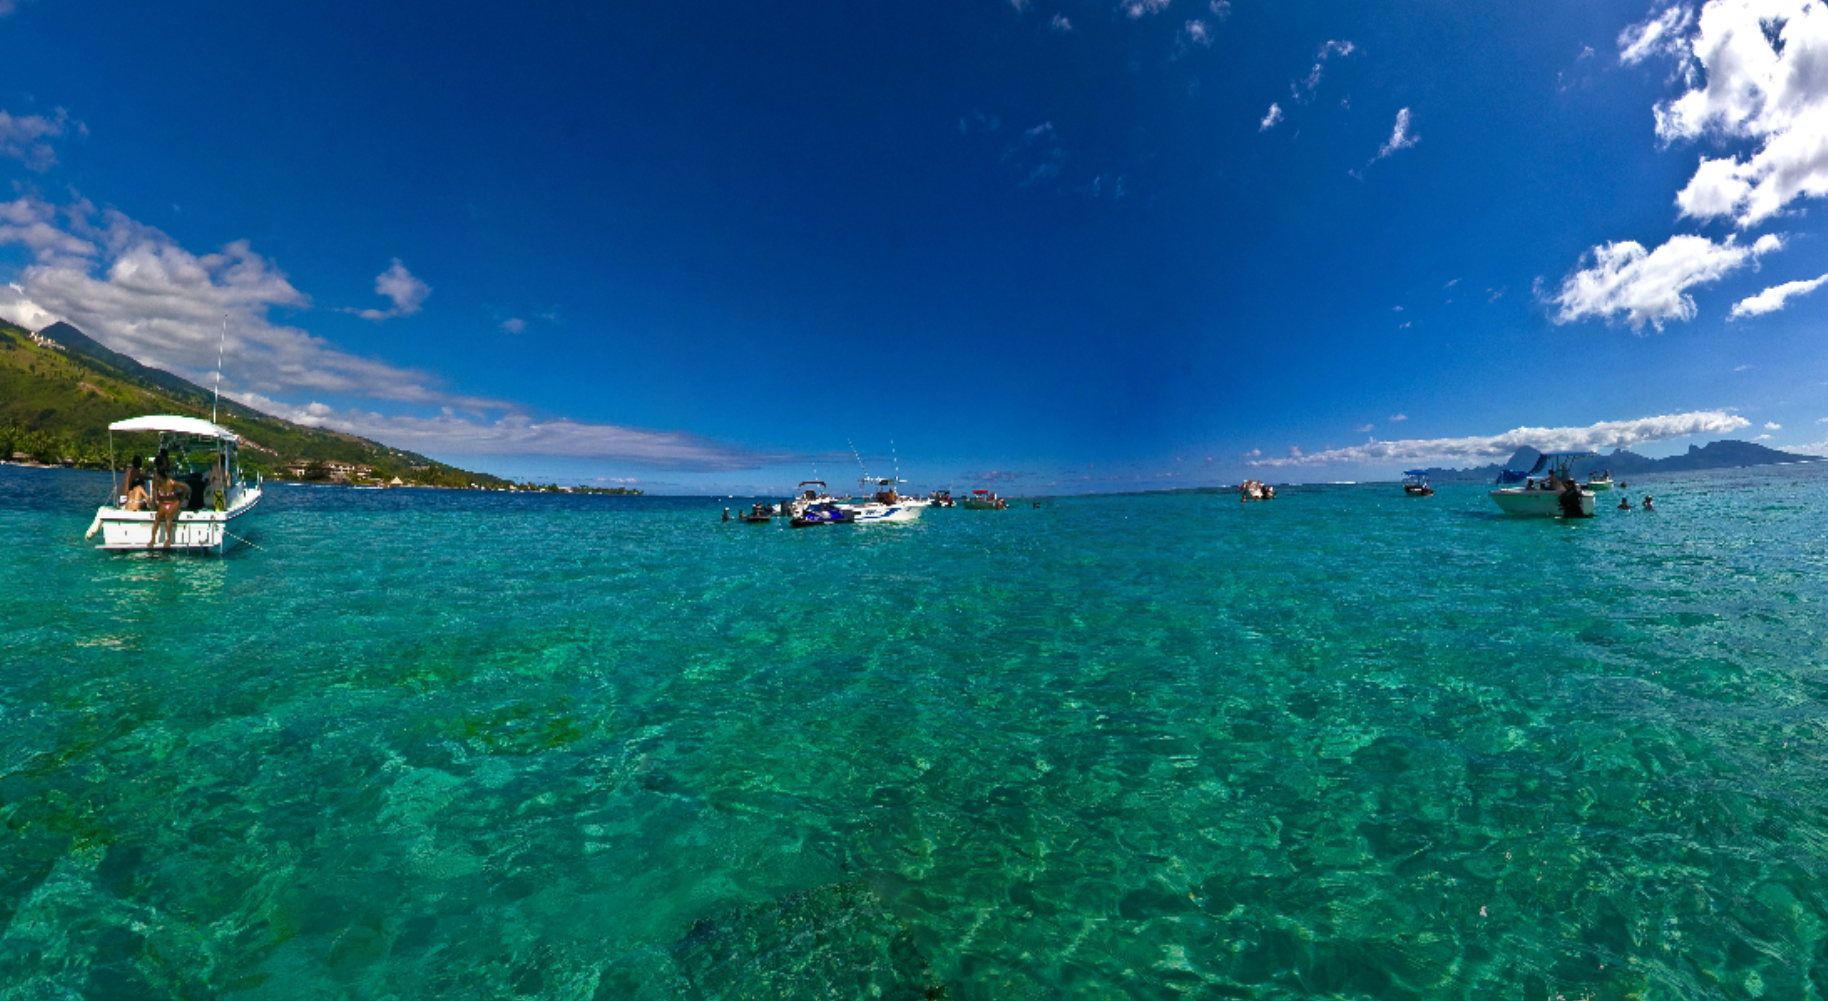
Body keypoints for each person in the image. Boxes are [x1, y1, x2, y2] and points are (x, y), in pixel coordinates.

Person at [149, 459, 190, 549]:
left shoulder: (171, 482)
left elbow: (185, 487)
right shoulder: (158, 485)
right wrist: (156, 500)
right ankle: (153, 539)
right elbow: (155, 491)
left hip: (174, 502)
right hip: (164, 503)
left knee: (168, 516)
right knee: (158, 516)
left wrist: (182, 499)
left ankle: (168, 539)